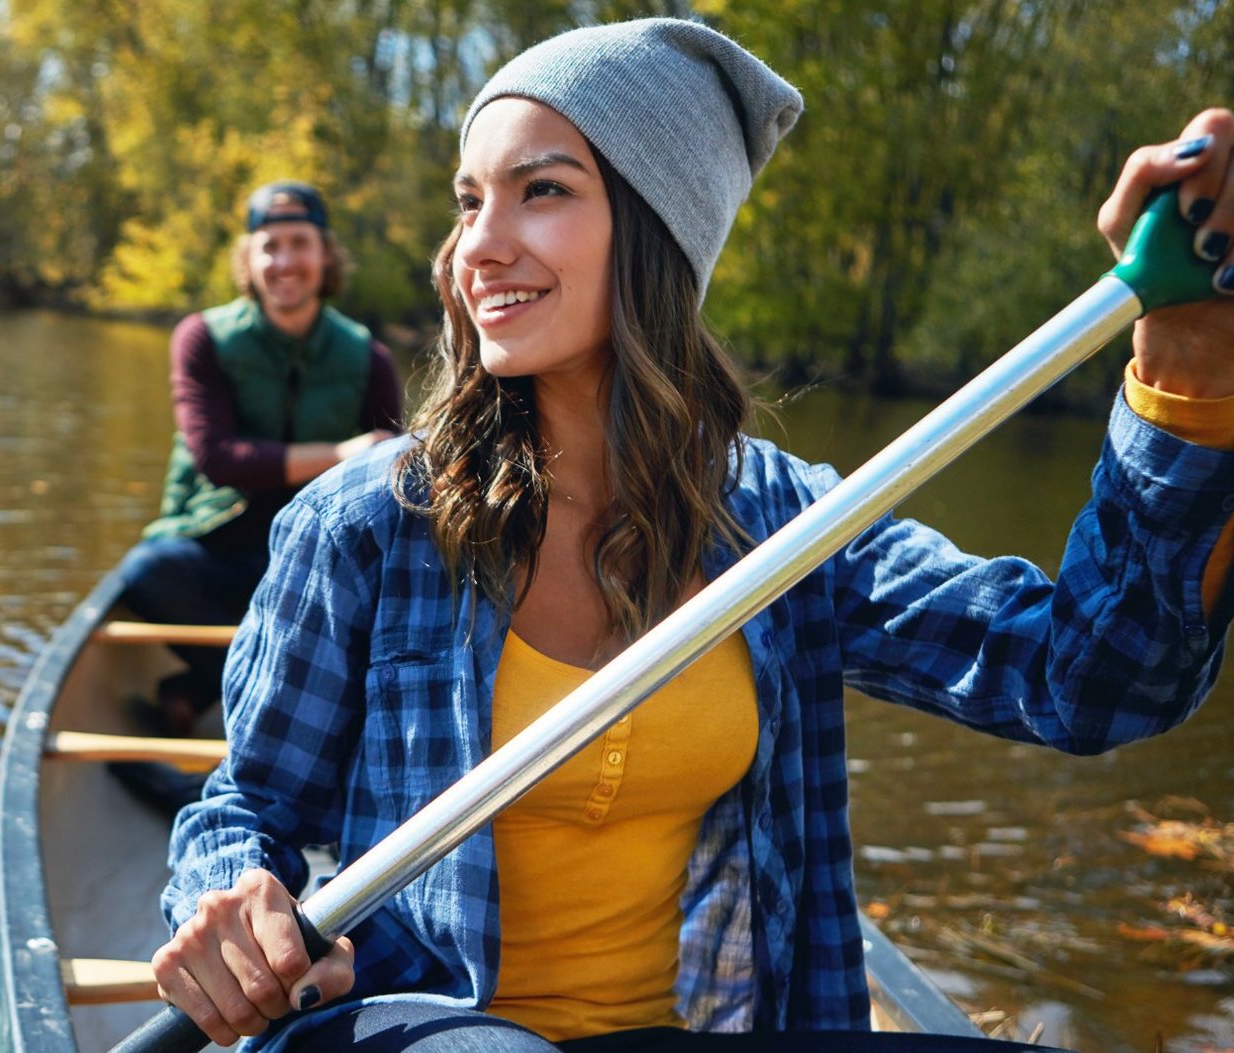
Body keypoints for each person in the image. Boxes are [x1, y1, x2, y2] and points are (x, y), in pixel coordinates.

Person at [151, 17, 1234, 1053]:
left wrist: (1185, 365)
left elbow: (1096, 679)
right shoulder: (365, 525)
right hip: (410, 1022)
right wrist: (235, 902)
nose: (476, 246)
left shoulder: (788, 530)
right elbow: (243, 808)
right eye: (468, 200)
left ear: (658, 230)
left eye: (541, 192)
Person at [117, 180, 403, 743]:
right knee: (147, 572)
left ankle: (199, 693)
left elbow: (391, 478)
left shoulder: (369, 357)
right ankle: (230, 682)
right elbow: (218, 458)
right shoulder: (201, 338)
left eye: (300, 243)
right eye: (269, 246)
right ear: (248, 258)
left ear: (325, 255)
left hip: (309, 558)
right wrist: (342, 455)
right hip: (216, 546)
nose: (285, 261)